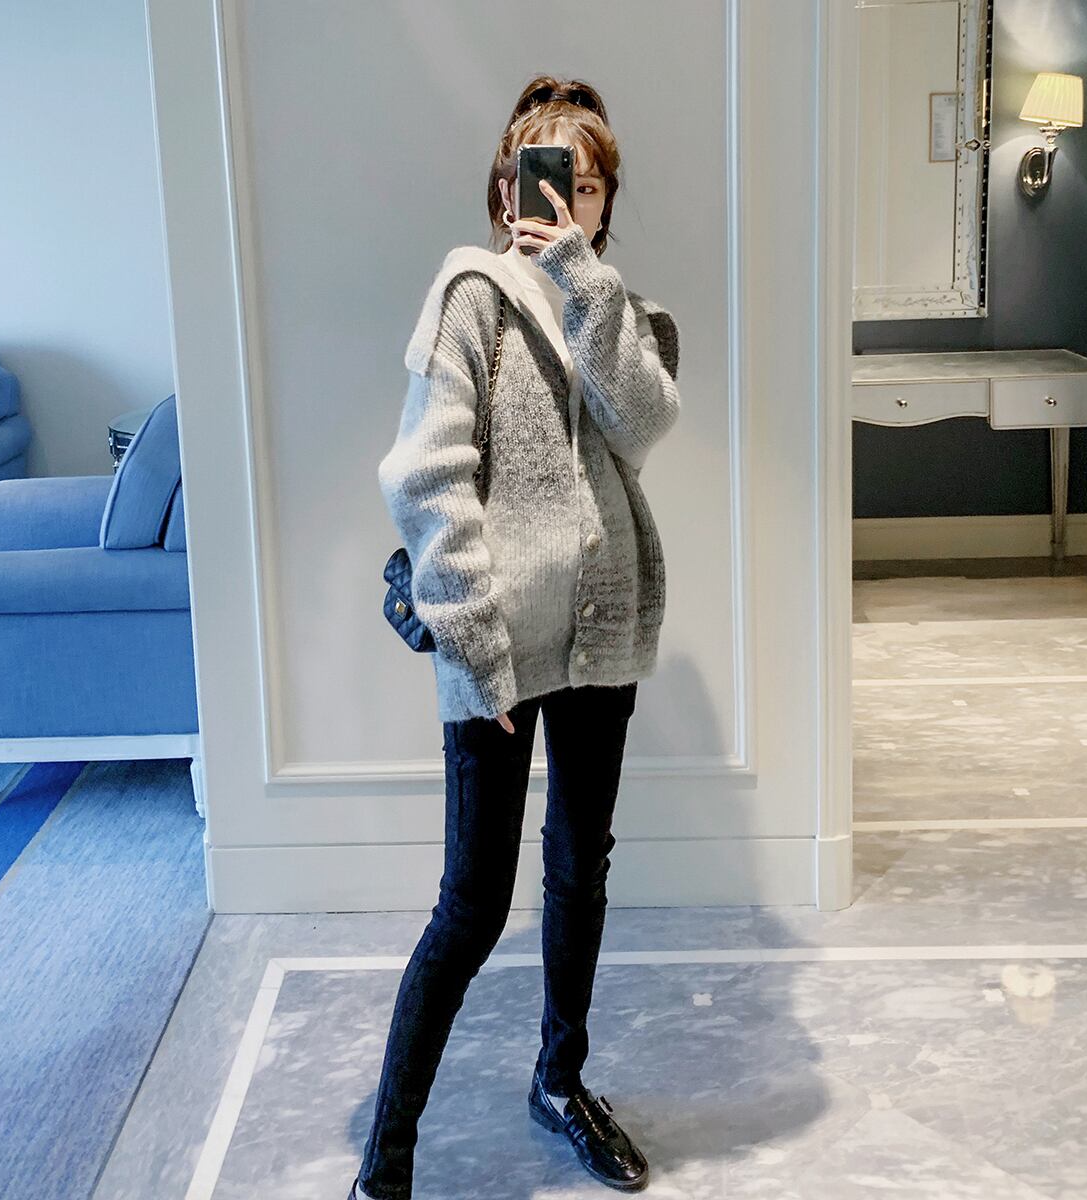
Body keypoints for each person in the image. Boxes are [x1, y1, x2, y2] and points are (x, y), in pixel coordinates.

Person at [353, 73, 681, 1200]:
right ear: (505, 191)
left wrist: (581, 277)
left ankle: (560, 1081)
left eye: (584, 185)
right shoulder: (471, 296)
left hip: (605, 638)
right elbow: (428, 478)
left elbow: (646, 422)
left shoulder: (618, 312)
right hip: (494, 645)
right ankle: (387, 1159)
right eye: (543, 177)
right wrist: (476, 648)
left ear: (604, 202)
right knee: (471, 907)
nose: (561, 198)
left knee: (579, 873)